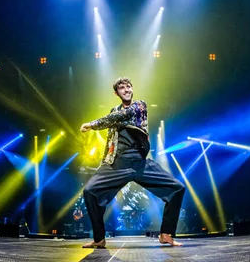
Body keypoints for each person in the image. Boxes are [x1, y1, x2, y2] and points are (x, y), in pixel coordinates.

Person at [80, 77, 186, 248]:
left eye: (129, 87)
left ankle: (166, 234)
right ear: (117, 93)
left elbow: (121, 115)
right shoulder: (114, 110)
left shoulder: (139, 106)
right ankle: (99, 239)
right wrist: (105, 162)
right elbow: (110, 139)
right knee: (90, 191)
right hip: (117, 163)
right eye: (122, 88)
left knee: (177, 188)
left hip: (139, 162)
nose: (127, 90)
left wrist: (93, 124)